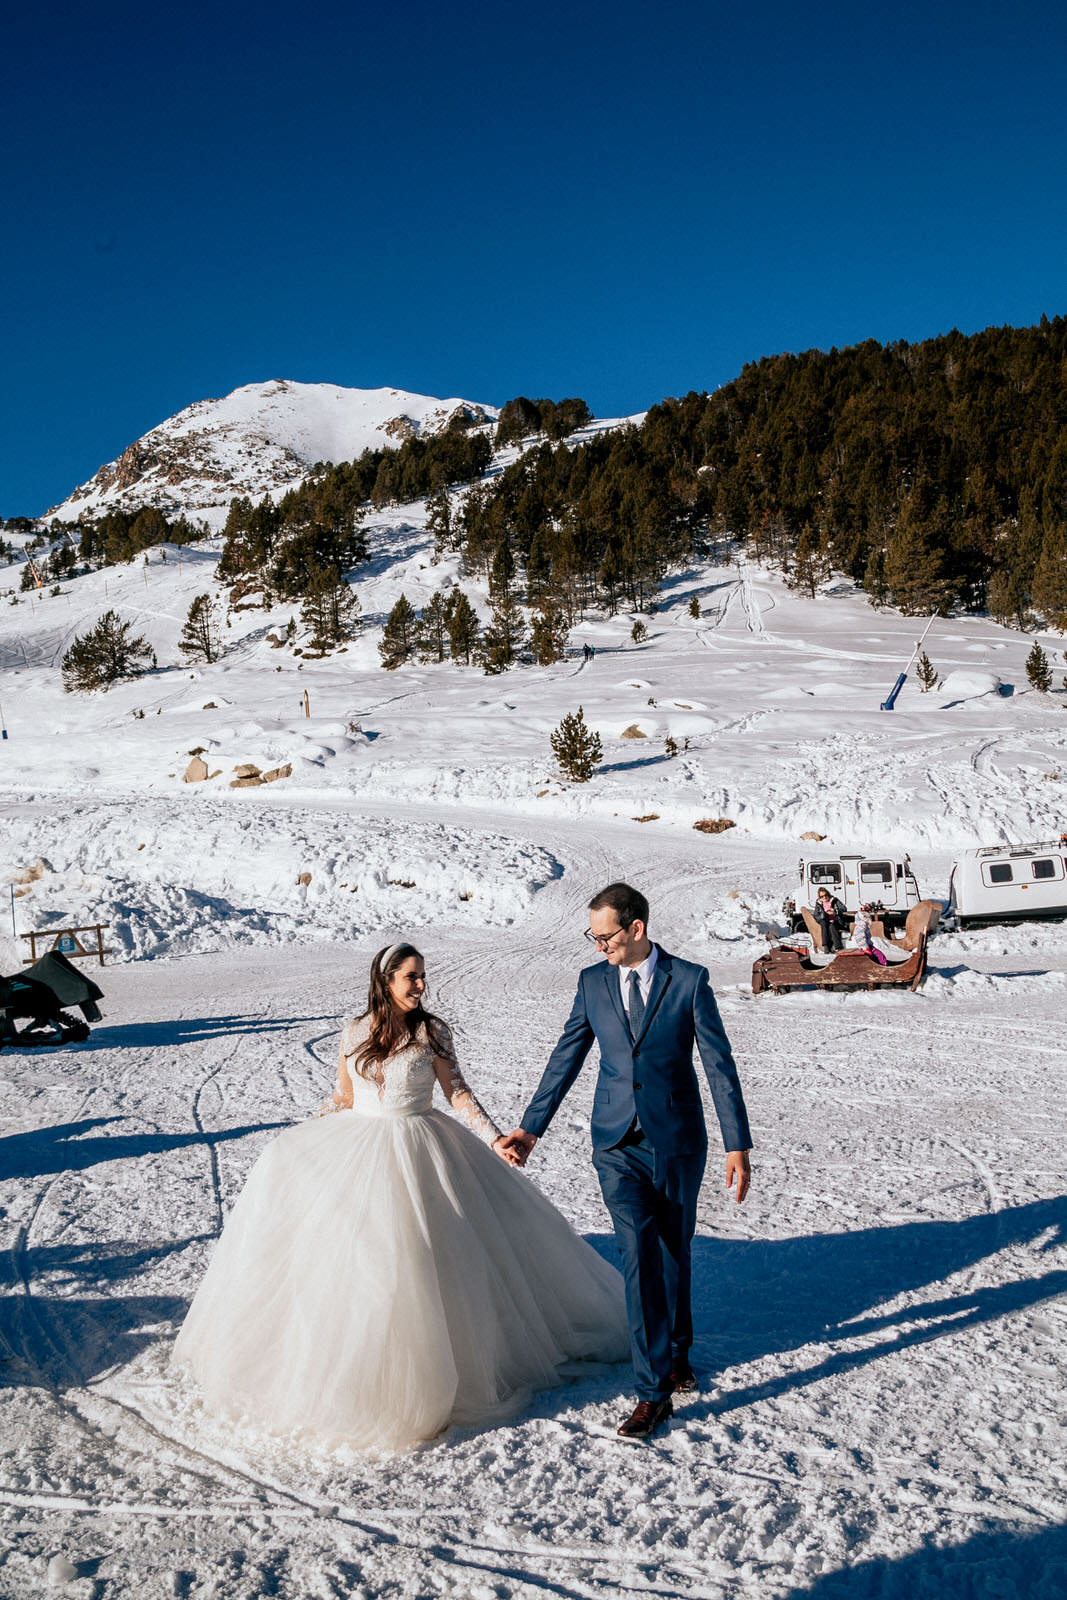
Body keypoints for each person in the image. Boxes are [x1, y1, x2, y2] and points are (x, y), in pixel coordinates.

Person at [172, 943, 629, 1453]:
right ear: (386, 979)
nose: (420, 986)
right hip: (359, 1148)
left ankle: (432, 1374)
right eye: (411, 977)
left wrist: (496, 1137)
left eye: (423, 977)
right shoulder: (354, 1032)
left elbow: (458, 1093)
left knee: (420, 1259)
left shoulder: (432, 1033)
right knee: (360, 1264)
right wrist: (301, 1135)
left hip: (421, 1146)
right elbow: (345, 1097)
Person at [503, 885, 752, 1440]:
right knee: (638, 1253)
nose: (598, 948)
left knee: (672, 1250)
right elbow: (566, 1054)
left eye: (606, 936)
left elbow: (719, 1064)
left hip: (678, 1141)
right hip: (615, 1143)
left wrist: (738, 1142)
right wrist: (530, 1127)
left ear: (636, 928)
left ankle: (678, 1350)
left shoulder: (688, 980)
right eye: (592, 937)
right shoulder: (593, 984)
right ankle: (651, 1392)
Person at [813, 885, 847, 952]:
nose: (824, 897)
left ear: (828, 894)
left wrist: (835, 912)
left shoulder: (834, 900)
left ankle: (838, 947)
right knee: (823, 923)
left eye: (825, 895)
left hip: (836, 920)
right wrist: (823, 915)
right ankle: (826, 946)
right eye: (821, 896)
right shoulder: (819, 903)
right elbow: (816, 915)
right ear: (819, 897)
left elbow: (844, 908)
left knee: (832, 926)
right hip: (825, 921)